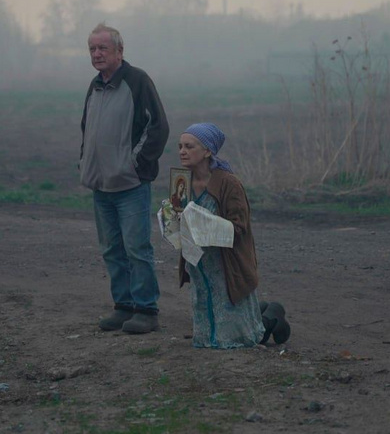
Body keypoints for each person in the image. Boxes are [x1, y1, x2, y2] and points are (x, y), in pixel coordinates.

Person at [80, 23, 170, 334]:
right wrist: (86, 163)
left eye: (103, 48)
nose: (97, 53)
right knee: (111, 249)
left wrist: (134, 165)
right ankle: (123, 306)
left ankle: (146, 310)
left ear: (120, 51)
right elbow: (87, 130)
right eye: (92, 48)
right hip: (100, 185)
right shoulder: (95, 85)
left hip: (130, 184)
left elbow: (157, 127)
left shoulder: (137, 81)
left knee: (137, 248)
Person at [176, 123, 266, 348]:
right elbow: (177, 217)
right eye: (180, 146)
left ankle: (272, 320)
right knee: (203, 307)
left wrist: (205, 225)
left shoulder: (228, 183)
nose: (182, 151)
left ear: (207, 151)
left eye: (189, 146)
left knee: (239, 331)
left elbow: (239, 227)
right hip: (198, 264)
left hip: (226, 264)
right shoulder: (181, 180)